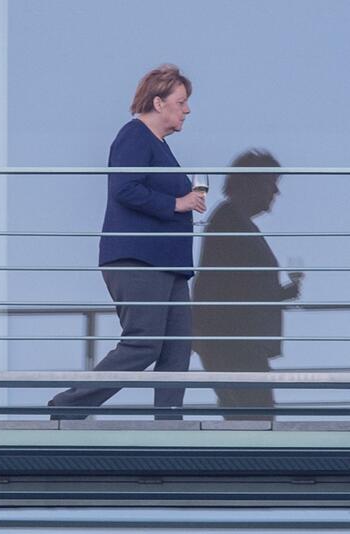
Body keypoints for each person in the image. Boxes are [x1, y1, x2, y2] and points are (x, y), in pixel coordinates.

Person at [49, 64, 205, 420]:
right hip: (139, 260)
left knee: (177, 348)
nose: (187, 110)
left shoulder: (160, 146)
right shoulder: (134, 135)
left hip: (169, 264)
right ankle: (70, 406)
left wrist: (185, 199)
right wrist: (176, 203)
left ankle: (169, 423)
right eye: (181, 102)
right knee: (143, 342)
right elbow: (124, 188)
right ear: (159, 102)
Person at [192, 150, 302, 420]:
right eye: (270, 182)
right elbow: (225, 287)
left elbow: (239, 285)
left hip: (238, 342)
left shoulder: (235, 222)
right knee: (255, 421)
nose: (275, 191)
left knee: (253, 419)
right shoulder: (229, 222)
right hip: (233, 343)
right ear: (251, 183)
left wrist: (279, 293)